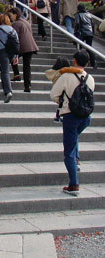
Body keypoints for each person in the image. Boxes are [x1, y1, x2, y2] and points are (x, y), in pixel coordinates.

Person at [50, 50, 95, 196]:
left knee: (68, 151)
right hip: (86, 117)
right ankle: (77, 159)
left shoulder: (66, 76)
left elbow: (53, 95)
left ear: (74, 60)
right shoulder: (90, 78)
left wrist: (62, 101)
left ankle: (74, 184)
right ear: (87, 63)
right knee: (74, 138)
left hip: (70, 116)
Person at [8, 7, 39, 92]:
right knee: (27, 66)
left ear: (15, 14)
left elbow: (14, 37)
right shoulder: (26, 22)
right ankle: (27, 86)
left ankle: (17, 74)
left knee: (13, 58)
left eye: (11, 16)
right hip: (31, 46)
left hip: (23, 46)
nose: (11, 18)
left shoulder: (16, 24)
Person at [0, 14, 19, 103]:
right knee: (4, 70)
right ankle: (5, 90)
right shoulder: (13, 30)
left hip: (3, 52)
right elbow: (17, 42)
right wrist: (16, 56)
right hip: (12, 52)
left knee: (5, 72)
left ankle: (8, 91)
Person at [45, 56, 81, 123]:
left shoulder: (54, 73)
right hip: (64, 91)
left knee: (61, 104)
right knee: (63, 104)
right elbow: (75, 70)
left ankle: (58, 116)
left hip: (59, 90)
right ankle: (59, 116)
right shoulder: (63, 72)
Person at [74, 3, 96, 69]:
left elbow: (77, 23)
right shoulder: (89, 15)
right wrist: (92, 33)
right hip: (89, 33)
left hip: (82, 32)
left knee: (79, 47)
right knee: (89, 48)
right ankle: (93, 63)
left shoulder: (78, 15)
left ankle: (78, 61)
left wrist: (76, 32)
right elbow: (92, 25)